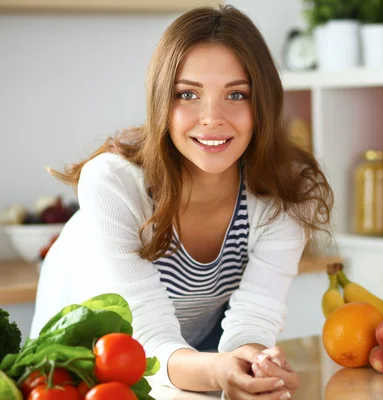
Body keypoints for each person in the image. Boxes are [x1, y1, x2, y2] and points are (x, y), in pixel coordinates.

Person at [29, 5, 334, 400]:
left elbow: (254, 318)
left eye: (236, 94)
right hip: (76, 365)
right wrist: (220, 371)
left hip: (181, 361)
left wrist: (254, 366)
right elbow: (146, 339)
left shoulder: (285, 190)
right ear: (161, 101)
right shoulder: (114, 182)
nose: (212, 118)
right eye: (187, 94)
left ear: (264, 105)